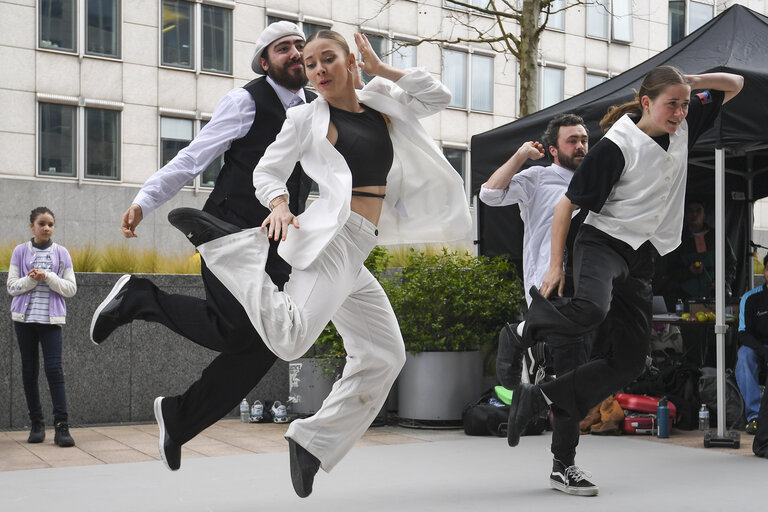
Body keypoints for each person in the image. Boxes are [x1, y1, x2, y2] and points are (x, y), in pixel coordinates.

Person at [170, 30, 471, 497]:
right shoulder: (306, 118)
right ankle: (226, 249)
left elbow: (437, 95)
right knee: (290, 340)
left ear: (350, 62)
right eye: (310, 64)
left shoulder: (382, 101)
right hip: (332, 240)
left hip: (360, 248)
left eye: (327, 59)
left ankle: (312, 442)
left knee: (385, 356)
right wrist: (278, 203)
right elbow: (266, 170)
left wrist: (381, 68)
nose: (317, 70)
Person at [89, 21, 317, 472]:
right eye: (284, 48)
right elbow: (195, 157)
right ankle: (140, 297)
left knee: (262, 344)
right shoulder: (246, 100)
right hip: (228, 234)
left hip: (277, 246)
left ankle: (179, 416)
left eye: (300, 46)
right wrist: (144, 200)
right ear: (264, 60)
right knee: (239, 333)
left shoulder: (315, 108)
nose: (295, 53)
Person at [503, 66, 743, 472]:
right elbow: (567, 206)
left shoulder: (685, 122)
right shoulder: (615, 146)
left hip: (643, 256)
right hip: (603, 244)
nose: (680, 113)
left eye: (684, 106)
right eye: (672, 104)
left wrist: (691, 82)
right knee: (590, 311)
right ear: (647, 102)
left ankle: (538, 398)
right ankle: (520, 332)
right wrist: (554, 266)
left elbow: (735, 84)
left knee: (630, 362)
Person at [479, 114, 598, 495]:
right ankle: (564, 465)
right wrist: (519, 157)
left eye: (584, 139)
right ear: (552, 149)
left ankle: (519, 340)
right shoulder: (538, 178)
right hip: (551, 289)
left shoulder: (597, 180)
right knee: (567, 375)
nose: (581, 146)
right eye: (572, 141)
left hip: (593, 290)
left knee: (589, 374)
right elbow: (489, 194)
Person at [7, 207, 77, 447]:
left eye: (50, 224)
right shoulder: (19, 252)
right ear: (32, 226)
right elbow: (12, 287)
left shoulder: (62, 253)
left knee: (54, 370)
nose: (46, 228)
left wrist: (47, 276)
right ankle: (36, 424)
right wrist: (31, 279)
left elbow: (70, 288)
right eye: (42, 224)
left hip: (51, 322)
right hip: (24, 322)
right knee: (29, 371)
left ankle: (62, 427)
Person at [664, 199, 736, 300]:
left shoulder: (717, 236)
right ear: (685, 214)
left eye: (698, 210)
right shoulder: (678, 239)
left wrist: (722, 281)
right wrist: (689, 271)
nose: (694, 214)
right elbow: (669, 271)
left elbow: (730, 263)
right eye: (690, 211)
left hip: (715, 296)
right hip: (685, 297)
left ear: (704, 214)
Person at [735, 254, 768, 435]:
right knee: (744, 356)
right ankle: (755, 416)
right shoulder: (750, 298)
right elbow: (744, 334)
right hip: (758, 348)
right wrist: (763, 352)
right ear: (764, 272)